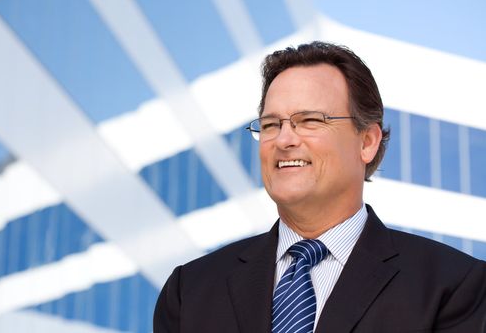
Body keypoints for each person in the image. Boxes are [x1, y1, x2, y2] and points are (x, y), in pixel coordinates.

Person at [153, 41, 486, 332]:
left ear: (367, 141)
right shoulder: (190, 291)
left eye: (310, 121)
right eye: (271, 125)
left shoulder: (452, 287)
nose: (284, 139)